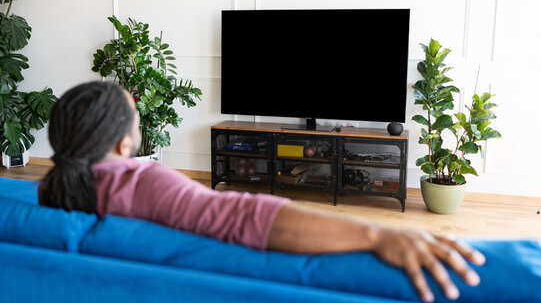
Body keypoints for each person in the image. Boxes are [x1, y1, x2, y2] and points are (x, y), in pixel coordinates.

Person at [39, 81, 485, 303]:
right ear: (123, 144)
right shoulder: (145, 184)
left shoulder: (48, 191)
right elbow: (243, 216)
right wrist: (376, 235)